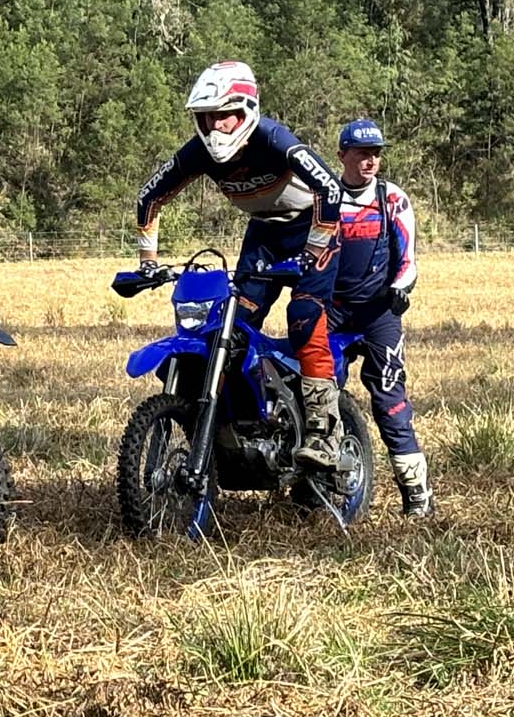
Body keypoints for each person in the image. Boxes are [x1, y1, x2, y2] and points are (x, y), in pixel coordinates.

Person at [136, 61, 345, 469]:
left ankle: (324, 434)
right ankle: (236, 420)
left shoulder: (273, 139)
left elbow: (330, 187)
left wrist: (311, 251)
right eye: (206, 117)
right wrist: (148, 263)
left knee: (304, 318)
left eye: (224, 115)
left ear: (246, 110)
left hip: (311, 230)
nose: (215, 126)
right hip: (263, 234)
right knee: (230, 326)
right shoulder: (199, 152)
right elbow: (149, 197)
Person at [331, 118, 434, 517]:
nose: (370, 161)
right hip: (333, 311)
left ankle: (417, 494)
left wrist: (400, 288)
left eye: (375, 154)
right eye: (362, 153)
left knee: (390, 401)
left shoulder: (392, 199)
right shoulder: (324, 197)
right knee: (318, 394)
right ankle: (319, 487)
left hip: (380, 313)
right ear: (342, 155)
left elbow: (408, 259)